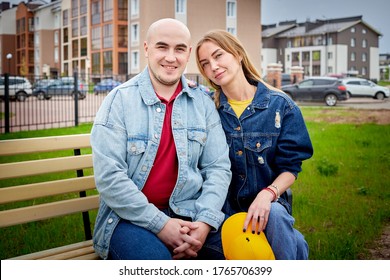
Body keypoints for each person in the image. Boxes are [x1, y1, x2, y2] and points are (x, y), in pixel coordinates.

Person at [91, 19, 231, 260]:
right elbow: (109, 178)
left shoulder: (202, 103)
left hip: (191, 213)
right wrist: (161, 224)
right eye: (162, 47)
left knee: (240, 255)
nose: (170, 57)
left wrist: (205, 222)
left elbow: (218, 168)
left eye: (179, 49)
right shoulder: (119, 101)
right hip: (129, 220)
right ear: (146, 49)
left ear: (188, 53)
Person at [196, 30, 314, 260]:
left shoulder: (281, 106)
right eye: (205, 63)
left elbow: (291, 167)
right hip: (224, 212)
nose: (214, 66)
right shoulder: (207, 110)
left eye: (218, 55)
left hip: (270, 206)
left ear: (238, 54)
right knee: (296, 244)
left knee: (278, 217)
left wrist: (267, 194)